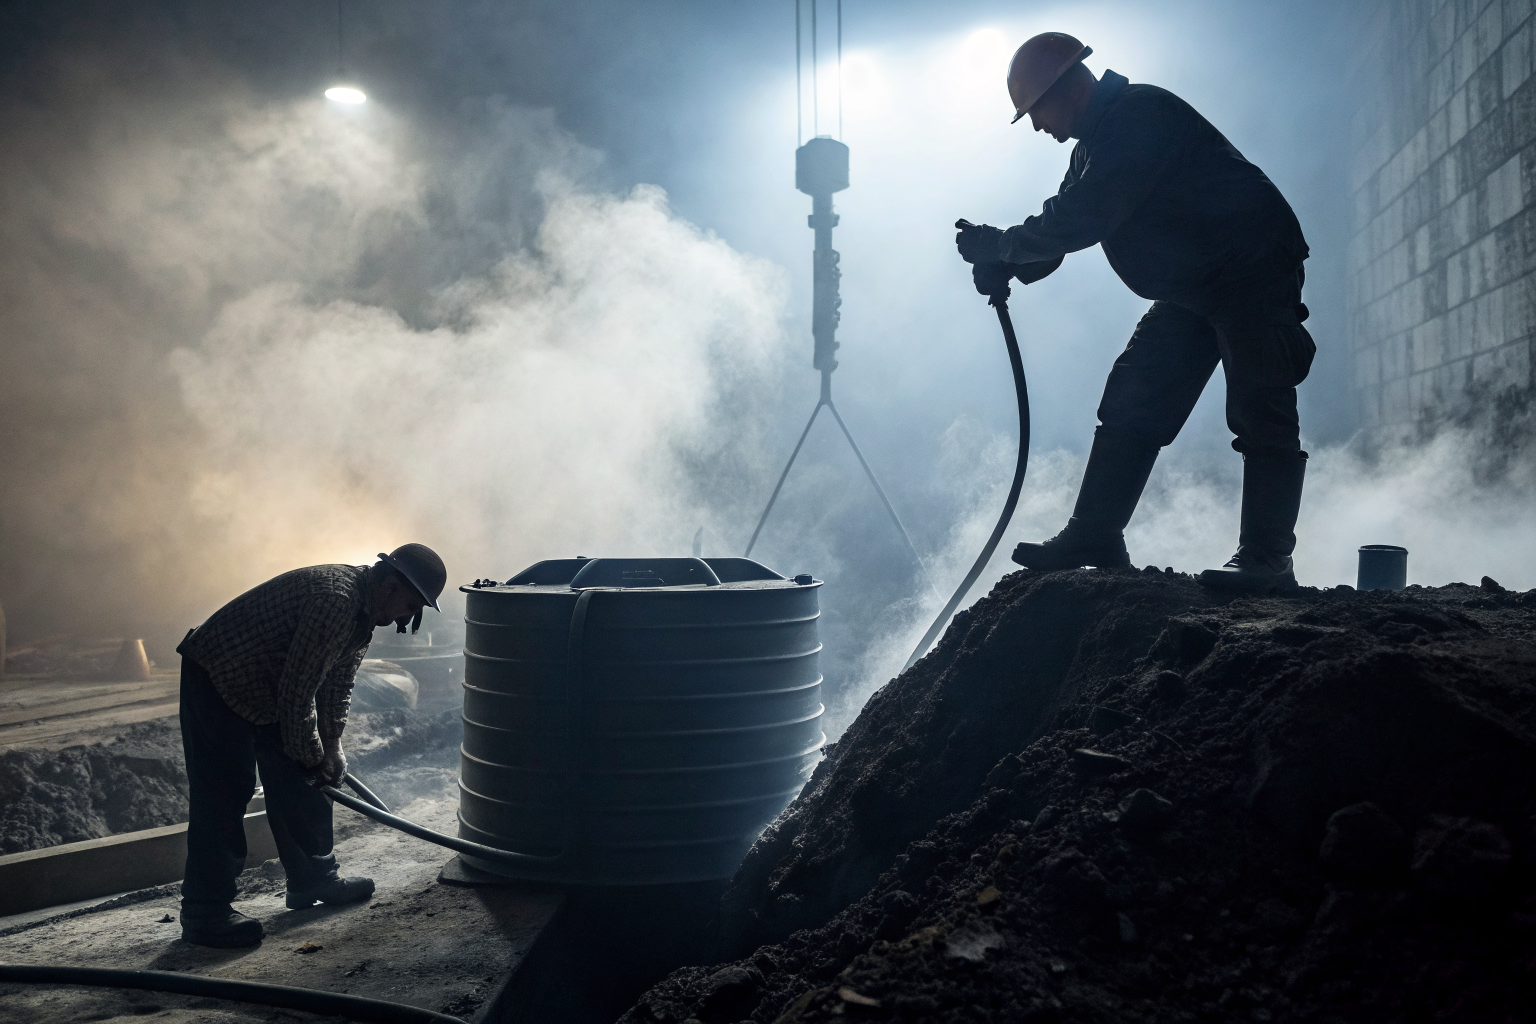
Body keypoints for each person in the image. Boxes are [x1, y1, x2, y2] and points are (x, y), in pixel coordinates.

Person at [956, 32, 1315, 593]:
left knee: (1260, 405)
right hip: (1196, 285)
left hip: (1251, 269)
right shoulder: (1093, 146)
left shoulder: (1137, 116)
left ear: (1070, 87)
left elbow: (1083, 217)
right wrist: (1005, 261)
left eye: (1036, 110)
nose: (1034, 126)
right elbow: (1062, 228)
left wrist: (1005, 246)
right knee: (1135, 395)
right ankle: (1096, 532)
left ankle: (1268, 558)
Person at [174, 543, 448, 947]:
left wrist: (332, 747)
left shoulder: (364, 614)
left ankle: (312, 880)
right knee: (225, 791)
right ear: (390, 586)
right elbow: (299, 695)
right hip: (219, 672)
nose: (405, 619)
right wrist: (311, 757)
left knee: (303, 775)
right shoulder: (335, 601)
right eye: (409, 605)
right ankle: (205, 912)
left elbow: (336, 686)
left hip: (267, 682)